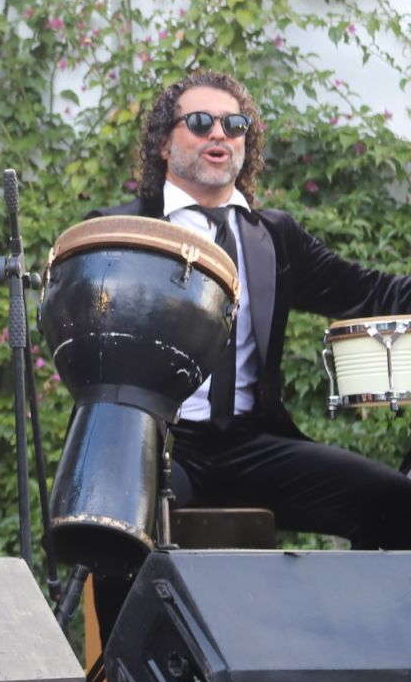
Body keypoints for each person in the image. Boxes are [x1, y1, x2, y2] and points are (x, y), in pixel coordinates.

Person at [99, 71, 411, 553]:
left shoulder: (274, 236)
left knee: (396, 502)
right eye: (200, 122)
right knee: (121, 519)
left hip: (250, 446)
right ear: (164, 143)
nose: (219, 133)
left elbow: (368, 291)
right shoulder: (123, 229)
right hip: (159, 444)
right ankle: (132, 633)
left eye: (234, 123)